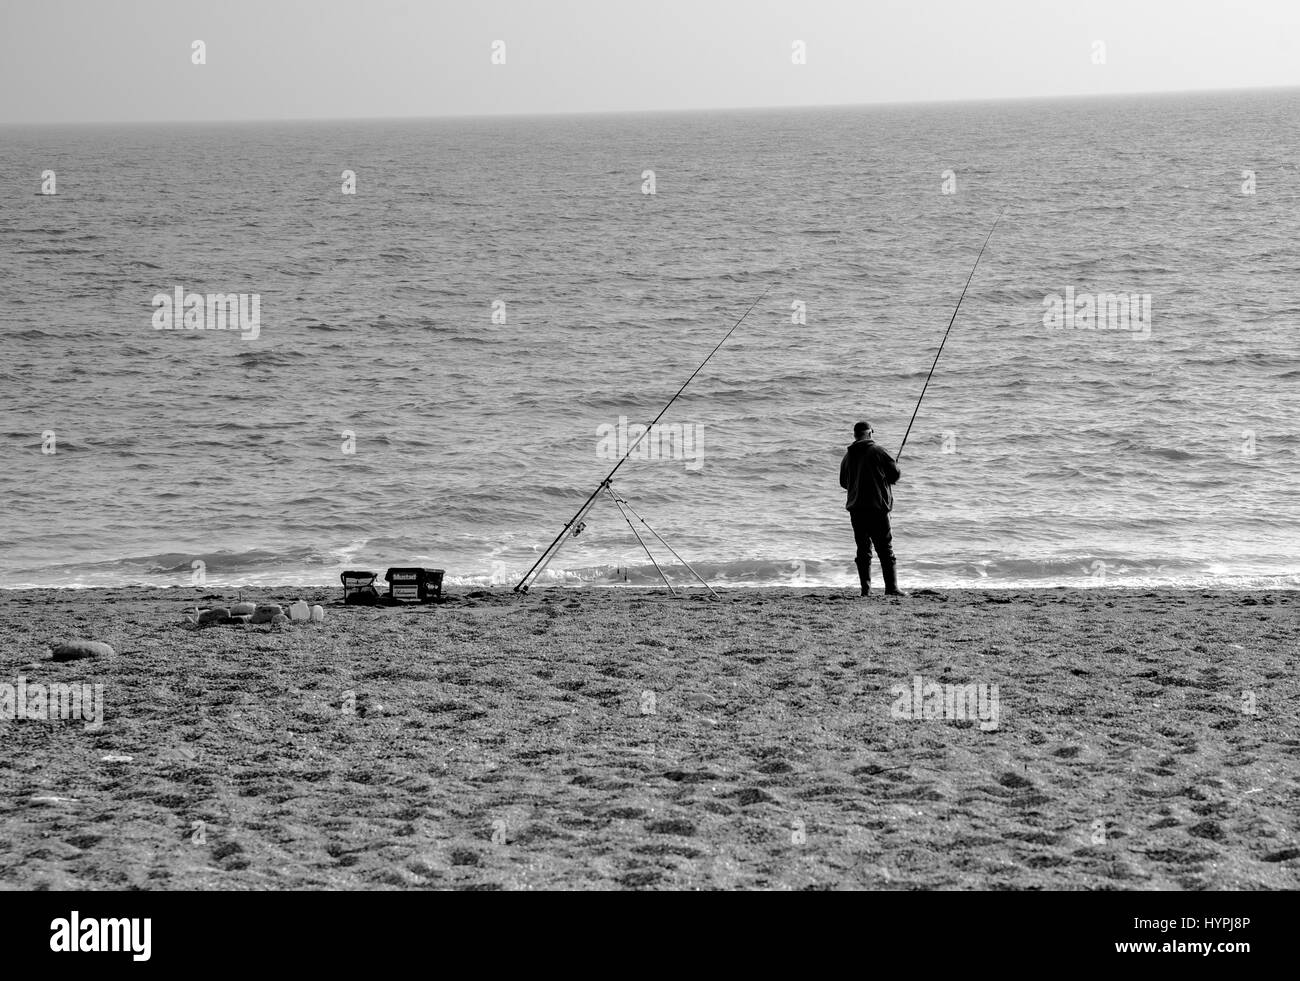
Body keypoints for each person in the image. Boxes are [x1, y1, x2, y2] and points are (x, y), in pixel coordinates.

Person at [839, 420, 906, 597]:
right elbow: (895, 474)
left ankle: (865, 590)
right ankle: (891, 588)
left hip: (856, 509)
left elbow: (843, 482)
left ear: (855, 435)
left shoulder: (848, 456)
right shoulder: (878, 450)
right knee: (885, 548)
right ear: (870, 433)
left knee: (863, 549)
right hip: (877, 508)